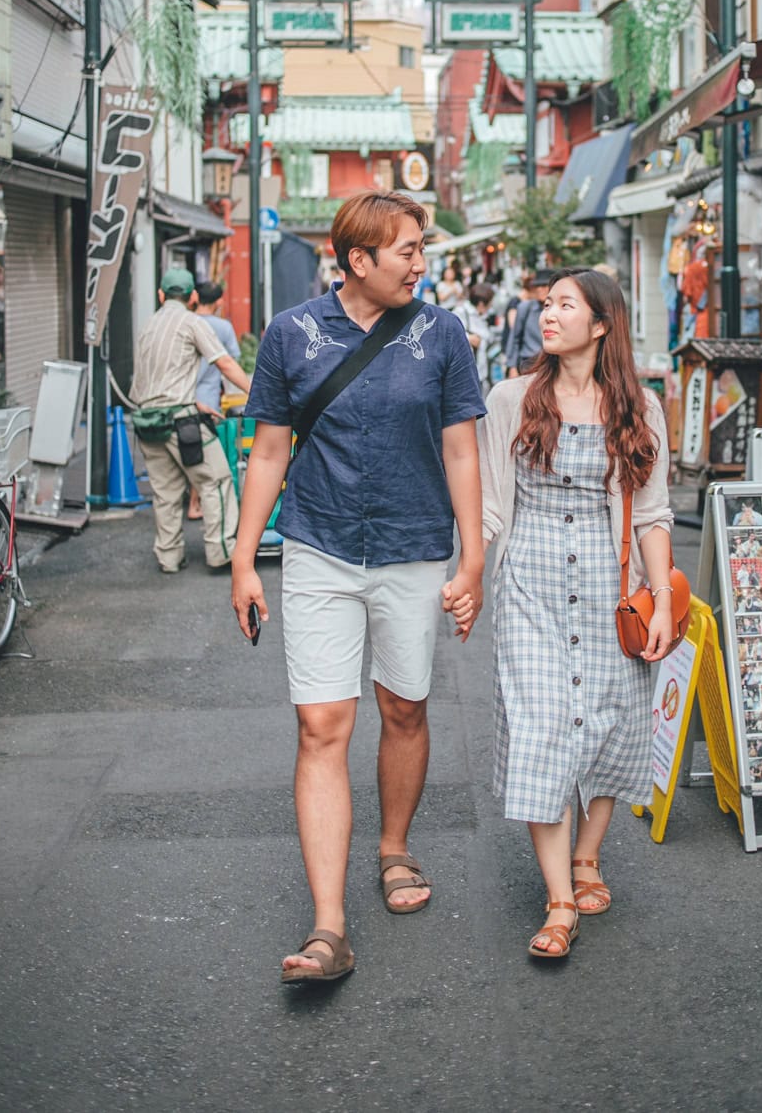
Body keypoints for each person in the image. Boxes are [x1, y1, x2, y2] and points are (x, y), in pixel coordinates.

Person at [229, 191, 487, 984]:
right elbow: (269, 450)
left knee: (404, 706)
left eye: (421, 248)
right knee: (321, 725)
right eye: (406, 250)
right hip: (319, 546)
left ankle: (394, 847)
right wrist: (244, 560)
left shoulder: (442, 334)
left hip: (413, 548)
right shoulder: (292, 334)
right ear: (357, 261)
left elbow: (462, 453)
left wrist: (471, 561)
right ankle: (328, 926)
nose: (421, 262)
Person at [478, 267, 675, 960]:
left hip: (606, 585)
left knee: (612, 723)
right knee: (540, 730)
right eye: (547, 302)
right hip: (529, 586)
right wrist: (469, 575)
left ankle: (589, 855)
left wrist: (660, 603)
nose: (547, 313)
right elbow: (493, 504)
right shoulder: (510, 399)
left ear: (601, 325)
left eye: (565, 304)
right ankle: (560, 899)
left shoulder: (640, 409)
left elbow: (650, 513)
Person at [129, 267, 251, 575]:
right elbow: (223, 362)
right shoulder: (191, 322)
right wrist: (260, 392)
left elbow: (150, 385)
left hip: (146, 421)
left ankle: (169, 558)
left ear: (160, 295)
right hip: (182, 423)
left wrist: (194, 401)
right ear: (193, 297)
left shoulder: (147, 327)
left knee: (166, 491)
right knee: (216, 480)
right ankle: (221, 551)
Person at [188, 280, 244, 522]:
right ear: (219, 301)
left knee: (186, 449)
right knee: (202, 453)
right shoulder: (222, 327)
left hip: (181, 395)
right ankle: (195, 504)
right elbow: (232, 359)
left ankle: (191, 501)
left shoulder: (185, 322)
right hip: (208, 396)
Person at [504, 270, 553, 377]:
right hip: (528, 363)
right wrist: (512, 366)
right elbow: (515, 337)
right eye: (537, 286)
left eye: (544, 285)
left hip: (551, 364)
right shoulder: (525, 307)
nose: (540, 289)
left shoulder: (557, 311)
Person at [453, 281, 495, 393]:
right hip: (465, 375)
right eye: (489, 303)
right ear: (481, 304)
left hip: (481, 373)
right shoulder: (461, 312)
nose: (491, 306)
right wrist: (468, 338)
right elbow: (450, 335)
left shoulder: (484, 315)